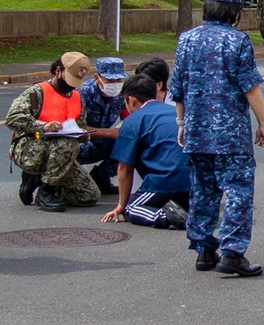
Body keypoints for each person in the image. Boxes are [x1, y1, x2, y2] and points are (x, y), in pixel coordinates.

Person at [171, 0, 264, 278]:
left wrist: (181, 122)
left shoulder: (186, 39)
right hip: (230, 135)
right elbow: (250, 86)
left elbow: (178, 86)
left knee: (202, 189)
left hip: (197, 130)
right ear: (235, 10)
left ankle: (203, 248)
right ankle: (233, 252)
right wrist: (263, 123)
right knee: (238, 190)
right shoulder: (238, 41)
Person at [6, 52, 100, 212]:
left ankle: (41, 180)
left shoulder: (77, 98)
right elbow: (12, 118)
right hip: (30, 149)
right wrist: (43, 126)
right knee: (67, 144)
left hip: (60, 155)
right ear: (58, 71)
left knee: (89, 196)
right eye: (70, 80)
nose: (71, 86)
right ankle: (45, 191)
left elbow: (80, 126)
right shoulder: (37, 92)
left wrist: (83, 135)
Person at [101, 74, 190, 229]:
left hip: (165, 181)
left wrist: (122, 204)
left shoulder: (133, 120)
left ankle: (166, 217)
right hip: (195, 181)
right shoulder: (175, 112)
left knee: (133, 208)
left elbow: (124, 168)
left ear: (131, 100)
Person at [77, 56, 128, 195]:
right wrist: (109, 133)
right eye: (110, 80)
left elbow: (128, 117)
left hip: (104, 142)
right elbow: (74, 127)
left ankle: (101, 177)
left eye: (118, 80)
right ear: (96, 77)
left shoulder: (121, 94)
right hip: (81, 141)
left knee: (129, 146)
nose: (115, 84)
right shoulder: (82, 93)